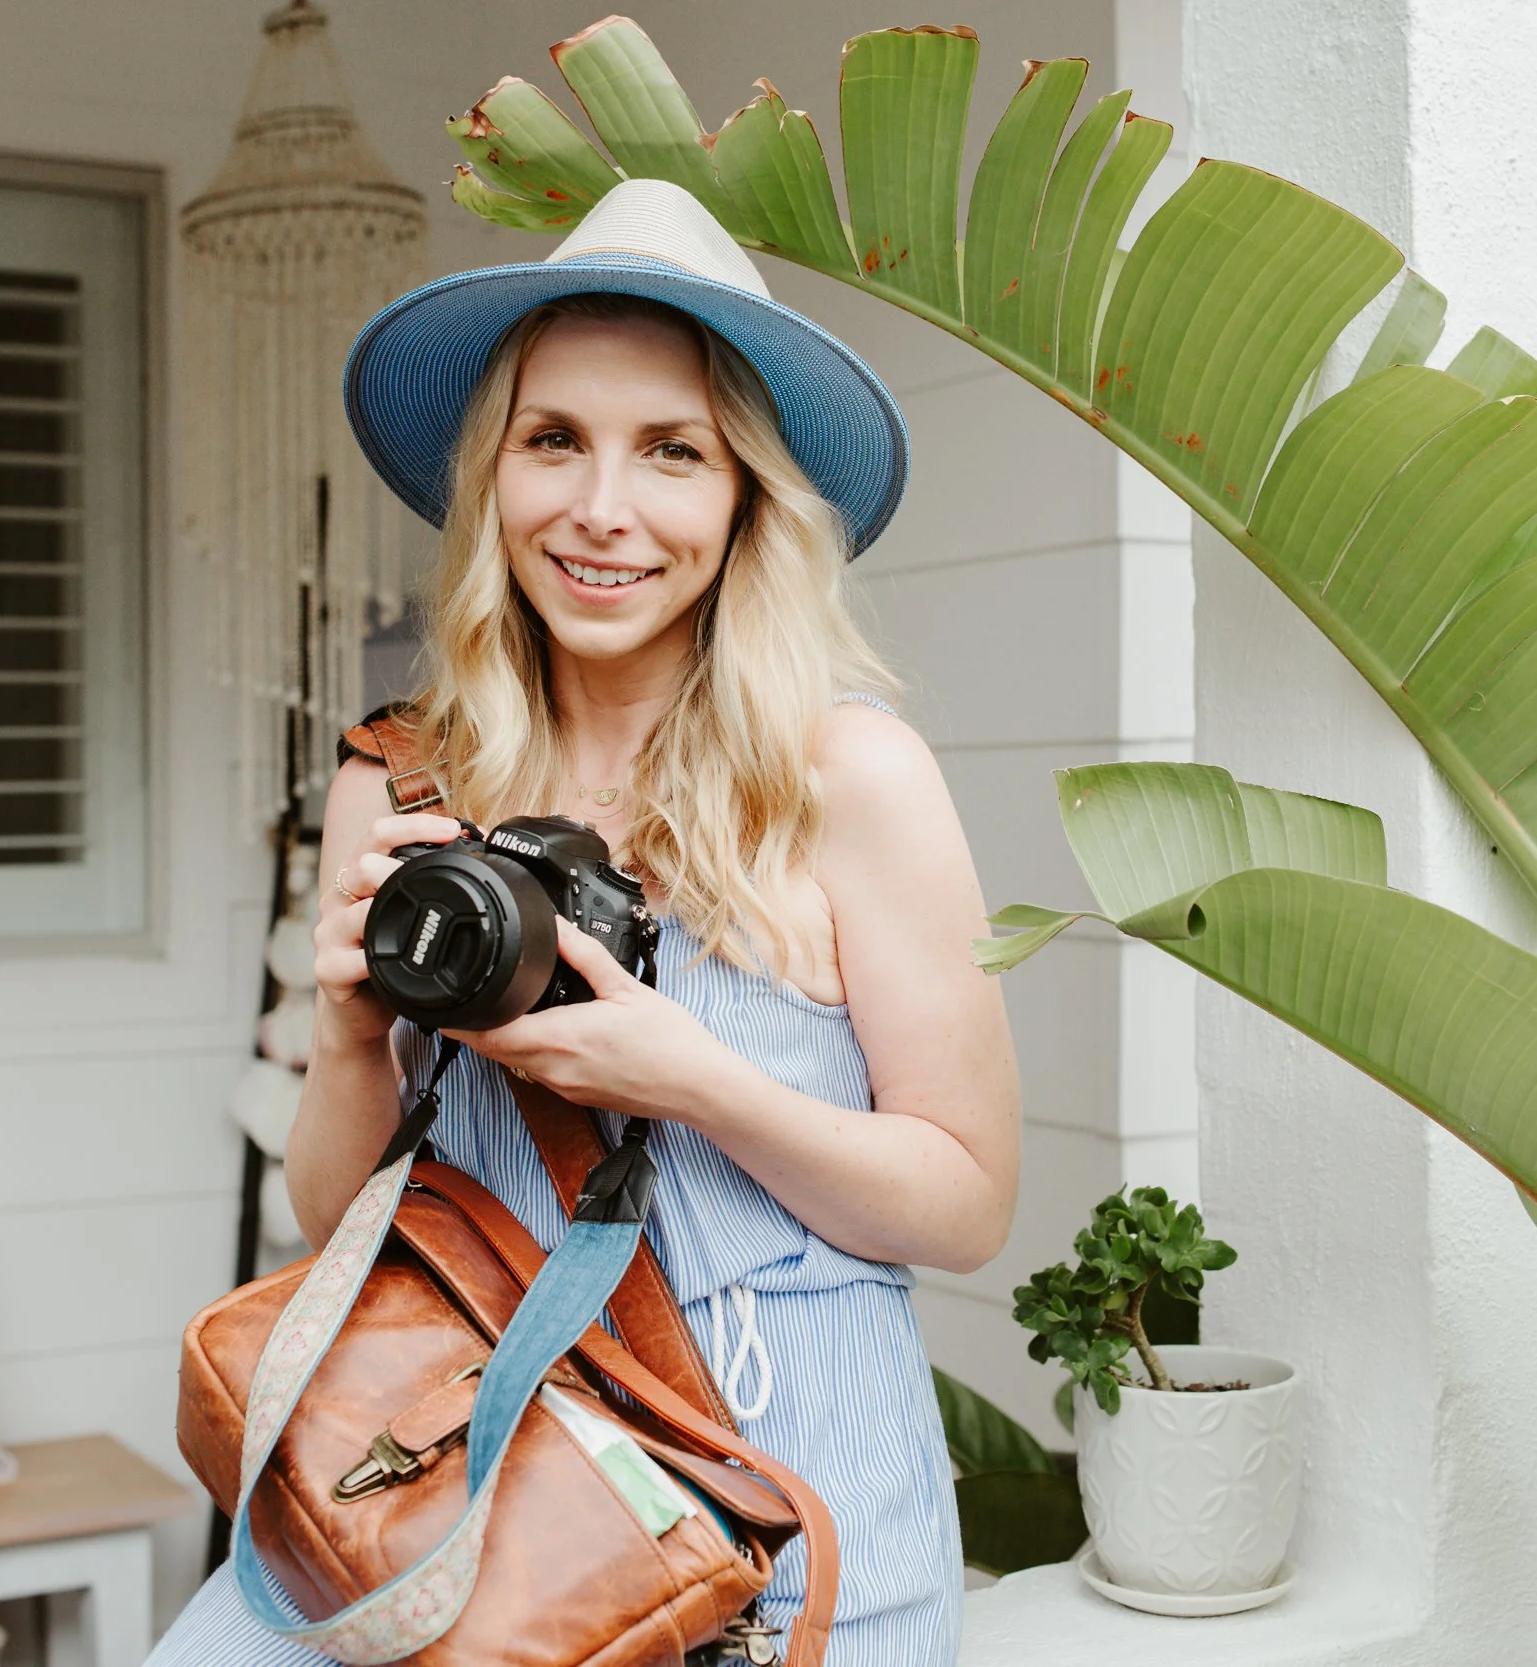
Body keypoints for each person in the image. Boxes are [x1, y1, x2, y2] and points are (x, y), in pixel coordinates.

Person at [149, 179, 1021, 1666]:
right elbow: (327, 1211)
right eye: (553, 440)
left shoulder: (849, 778)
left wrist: (697, 1083)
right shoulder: (408, 778)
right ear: (492, 475)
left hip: (782, 1509)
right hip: (469, 1487)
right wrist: (356, 1032)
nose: (603, 510)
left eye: (671, 452)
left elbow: (965, 1198)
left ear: (746, 496)